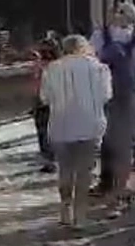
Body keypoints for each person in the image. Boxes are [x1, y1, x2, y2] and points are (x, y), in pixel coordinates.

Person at [91, 2, 135, 219]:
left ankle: (107, 186)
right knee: (128, 149)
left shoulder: (99, 37)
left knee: (107, 144)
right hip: (130, 99)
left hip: (102, 98)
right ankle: (123, 194)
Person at [39, 34, 111, 229]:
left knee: (65, 169)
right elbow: (106, 96)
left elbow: (44, 98)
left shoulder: (52, 69)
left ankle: (65, 209)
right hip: (90, 125)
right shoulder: (99, 68)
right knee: (84, 172)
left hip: (61, 125)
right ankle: (80, 214)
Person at [31, 33, 62, 173]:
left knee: (46, 131)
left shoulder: (49, 66)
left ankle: (51, 159)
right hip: (49, 100)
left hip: (47, 101)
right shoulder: (59, 65)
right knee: (47, 131)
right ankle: (52, 158)